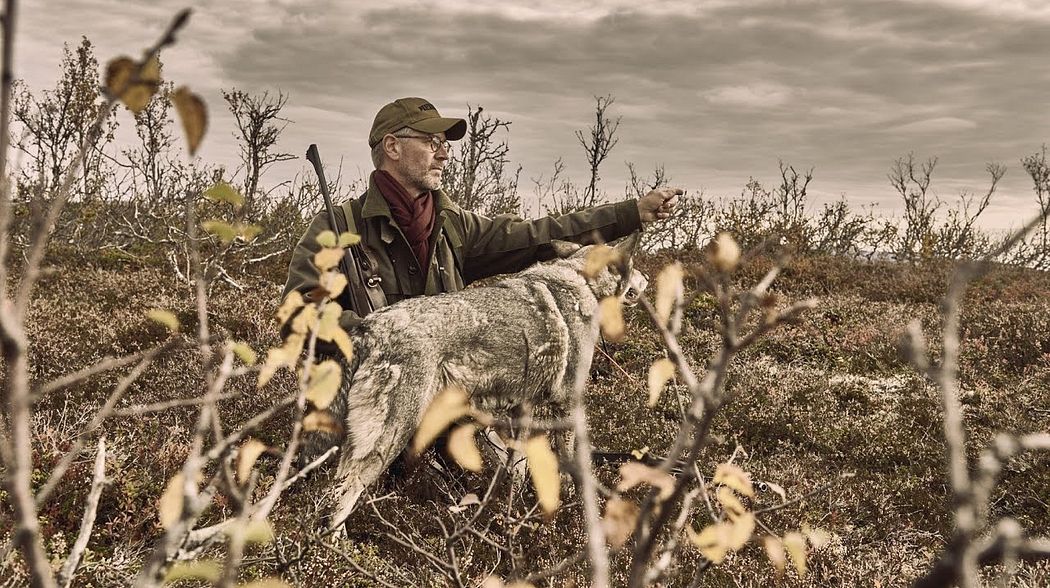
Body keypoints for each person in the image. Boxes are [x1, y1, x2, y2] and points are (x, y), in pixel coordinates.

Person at [283, 97, 681, 331]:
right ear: (392, 147)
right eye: (431, 141)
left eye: (445, 143)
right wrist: (378, 335)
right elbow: (298, 317)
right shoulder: (337, 229)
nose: (444, 152)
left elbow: (542, 234)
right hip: (364, 399)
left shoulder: (454, 226)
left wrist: (631, 212)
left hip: (444, 402)